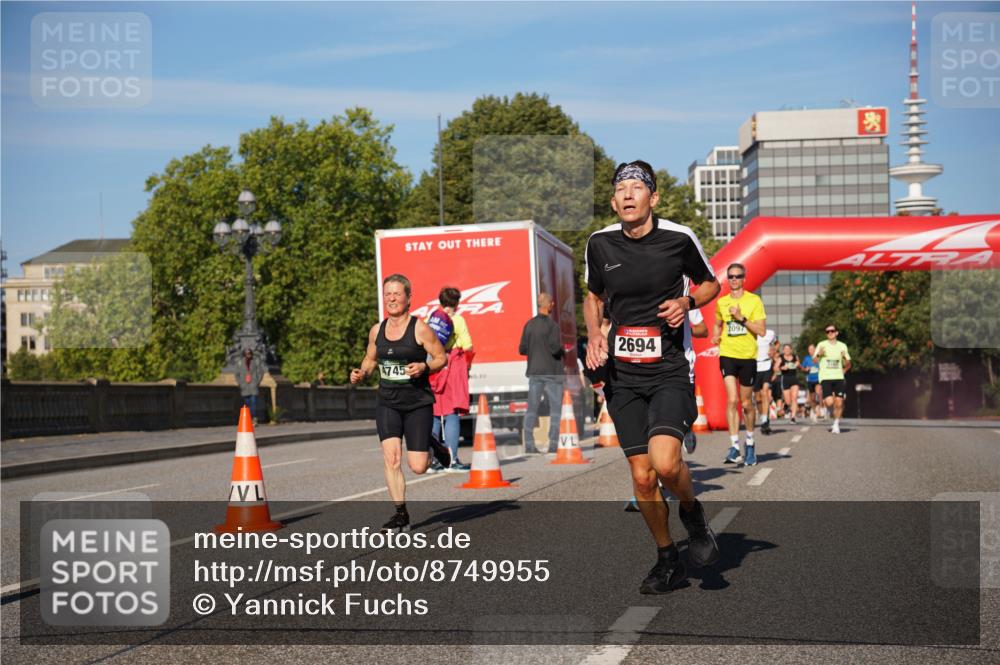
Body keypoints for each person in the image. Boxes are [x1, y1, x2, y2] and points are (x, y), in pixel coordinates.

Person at [584, 160, 721, 595]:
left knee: (665, 463)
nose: (627, 195)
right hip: (623, 376)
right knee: (642, 477)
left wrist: (687, 302)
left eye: (635, 188)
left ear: (653, 198)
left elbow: (711, 284)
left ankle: (691, 511)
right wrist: (593, 335)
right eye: (620, 189)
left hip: (669, 369)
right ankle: (667, 559)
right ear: (613, 201)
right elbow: (593, 296)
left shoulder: (679, 238)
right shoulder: (599, 244)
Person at [350, 274, 449, 533]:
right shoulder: (377, 330)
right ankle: (400, 514)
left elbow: (441, 358)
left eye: (397, 294)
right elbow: (370, 359)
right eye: (387, 294)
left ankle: (431, 443)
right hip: (388, 403)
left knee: (418, 466)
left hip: (417, 403)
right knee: (392, 459)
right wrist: (361, 373)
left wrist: (424, 366)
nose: (391, 298)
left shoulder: (420, 328)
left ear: (408, 297)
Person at [712, 263, 766, 467]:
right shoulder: (722, 302)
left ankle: (750, 442)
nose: (734, 279)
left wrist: (741, 318)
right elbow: (718, 324)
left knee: (746, 404)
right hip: (727, 354)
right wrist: (716, 336)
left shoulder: (754, 301)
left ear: (744, 278)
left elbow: (761, 330)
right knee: (732, 400)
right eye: (731, 276)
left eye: (738, 276)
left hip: (747, 357)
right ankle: (734, 445)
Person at [428, 286, 473, 473]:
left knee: (435, 416)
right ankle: (452, 459)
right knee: (452, 414)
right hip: (451, 370)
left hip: (433, 371)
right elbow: (467, 344)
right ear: (457, 303)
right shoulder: (458, 320)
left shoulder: (431, 319)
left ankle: (433, 460)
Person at [519, 292, 565, 455]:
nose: (553, 305)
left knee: (532, 408)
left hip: (534, 372)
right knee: (555, 410)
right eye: (552, 303)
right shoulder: (552, 326)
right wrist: (563, 349)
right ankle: (553, 444)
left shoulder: (529, 325)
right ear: (549, 305)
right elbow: (554, 348)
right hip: (552, 373)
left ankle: (529, 445)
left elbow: (522, 349)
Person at [815, 324, 851, 434]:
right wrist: (819, 355)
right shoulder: (821, 345)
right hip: (825, 377)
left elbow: (848, 362)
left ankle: (836, 424)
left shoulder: (842, 346)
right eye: (827, 331)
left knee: (839, 402)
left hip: (839, 377)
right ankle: (832, 413)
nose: (830, 333)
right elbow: (815, 361)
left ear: (836, 332)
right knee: (830, 402)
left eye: (832, 331)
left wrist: (845, 367)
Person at [754, 329, 778, 435]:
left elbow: (777, 343)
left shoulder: (769, 333)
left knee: (765, 391)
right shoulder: (749, 332)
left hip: (767, 365)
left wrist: (773, 350)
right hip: (754, 367)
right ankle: (764, 416)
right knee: (758, 398)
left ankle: (764, 420)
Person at [779, 344, 801, 424]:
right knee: (788, 401)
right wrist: (782, 368)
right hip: (785, 379)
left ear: (791, 350)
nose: (787, 350)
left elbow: (799, 365)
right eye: (785, 349)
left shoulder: (795, 357)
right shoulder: (780, 358)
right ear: (783, 350)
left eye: (788, 349)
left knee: (794, 398)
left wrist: (798, 364)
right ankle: (786, 405)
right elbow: (775, 367)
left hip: (794, 379)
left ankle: (793, 417)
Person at [801, 344, 821, 422]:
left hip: (818, 379)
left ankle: (819, 408)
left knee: (818, 393)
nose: (811, 351)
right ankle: (814, 410)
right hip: (810, 379)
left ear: (815, 349)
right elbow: (803, 368)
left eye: (812, 349)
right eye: (809, 350)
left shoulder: (819, 357)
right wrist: (806, 369)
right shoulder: (807, 358)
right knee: (812, 398)